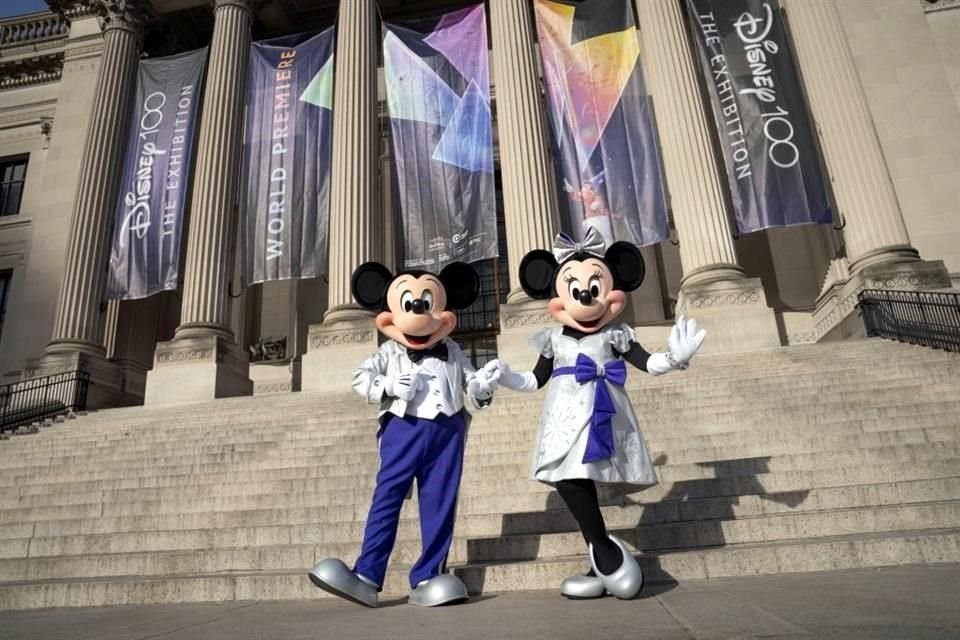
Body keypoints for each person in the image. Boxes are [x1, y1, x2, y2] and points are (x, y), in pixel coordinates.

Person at [490, 227, 705, 600]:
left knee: (581, 476)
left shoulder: (616, 334)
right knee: (567, 479)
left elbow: (646, 362)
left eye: (595, 286)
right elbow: (534, 380)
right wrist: (506, 376)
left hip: (604, 412)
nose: (586, 295)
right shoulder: (553, 339)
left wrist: (673, 358)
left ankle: (599, 560)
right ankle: (603, 549)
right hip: (563, 417)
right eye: (575, 289)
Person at [308, 261, 500, 608]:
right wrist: (389, 385)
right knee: (388, 497)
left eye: (427, 302)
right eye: (409, 303)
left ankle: (429, 574)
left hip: (449, 430)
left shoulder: (452, 350)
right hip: (403, 428)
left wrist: (481, 387)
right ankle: (367, 574)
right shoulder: (389, 352)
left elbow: (469, 381)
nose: (418, 310)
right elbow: (360, 378)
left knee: (440, 501)